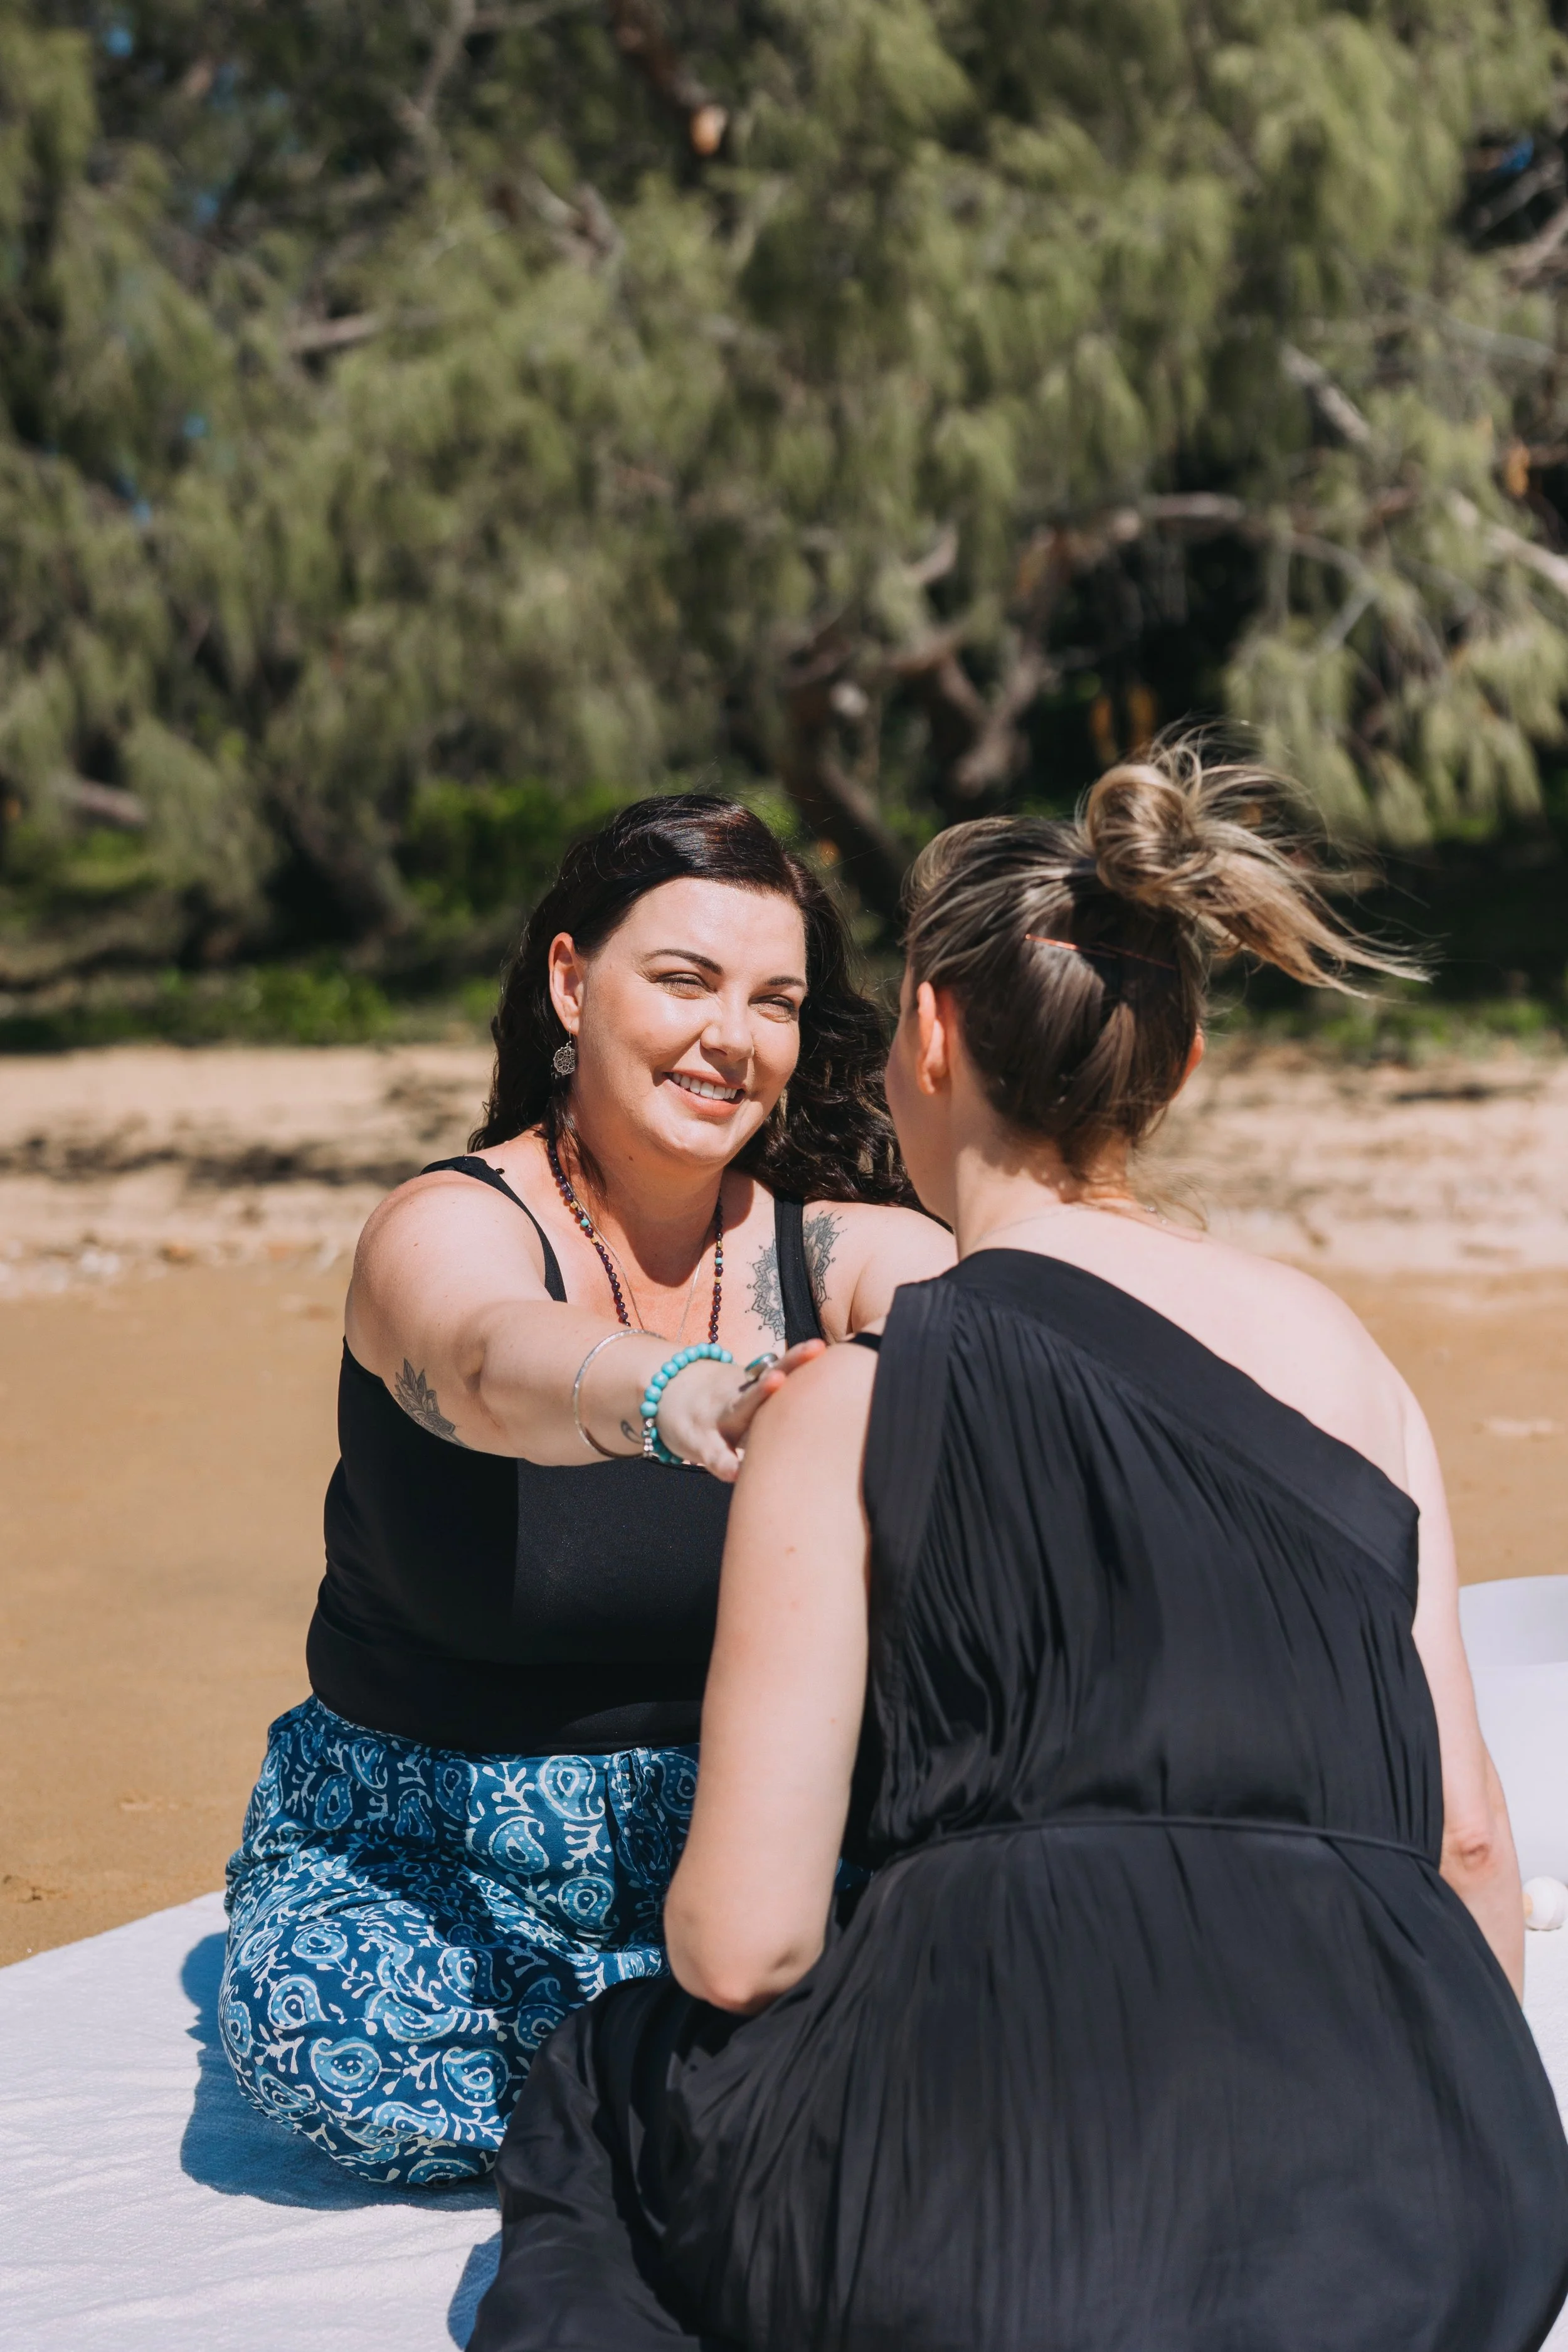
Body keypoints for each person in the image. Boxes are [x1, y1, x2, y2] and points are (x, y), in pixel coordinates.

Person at [472, 744, 1568, 2349]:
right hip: (1447, 2216)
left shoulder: (851, 1402)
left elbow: (742, 1943)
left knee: (609, 2082)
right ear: (1180, 1062)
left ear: (924, 1030)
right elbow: (1468, 1843)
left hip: (1026, 2222)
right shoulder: (1347, 1360)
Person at [218, 795, 953, 2185]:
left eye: (775, 1002)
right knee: (331, 2044)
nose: (731, 1039)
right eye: (683, 981)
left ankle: (689, 2079)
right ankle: (725, 2090)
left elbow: (994, 1333)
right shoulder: (446, 1228)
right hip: (430, 1867)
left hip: (763, 1853)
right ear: (570, 982)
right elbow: (488, 1357)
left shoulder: (845, 1246)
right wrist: (683, 1397)